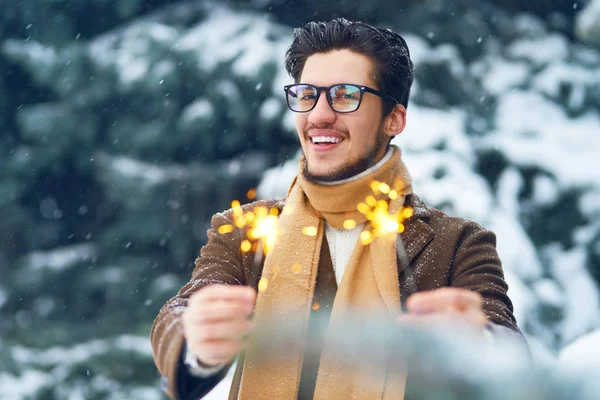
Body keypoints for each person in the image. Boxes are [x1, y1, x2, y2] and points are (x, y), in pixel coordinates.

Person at [150, 18, 527, 400]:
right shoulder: (247, 229)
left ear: (394, 119)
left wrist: (476, 345)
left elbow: (510, 352)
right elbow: (180, 313)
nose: (318, 115)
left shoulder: (457, 243)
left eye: (345, 95)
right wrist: (198, 342)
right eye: (306, 94)